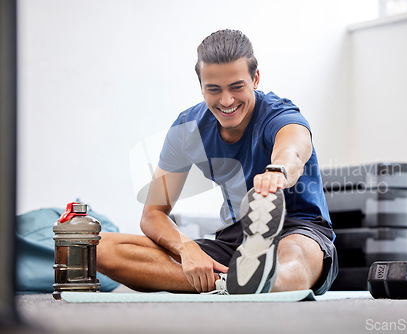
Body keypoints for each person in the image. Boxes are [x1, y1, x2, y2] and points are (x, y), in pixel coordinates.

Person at [97, 29, 338, 295]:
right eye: (214, 90)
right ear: (201, 87)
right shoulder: (187, 130)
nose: (226, 101)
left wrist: (278, 171)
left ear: (255, 79)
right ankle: (231, 282)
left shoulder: (278, 114)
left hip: (299, 229)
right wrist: (186, 248)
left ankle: (262, 281)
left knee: (292, 260)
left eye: (237, 87)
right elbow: (152, 214)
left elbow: (293, 149)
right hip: (233, 240)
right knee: (100, 248)